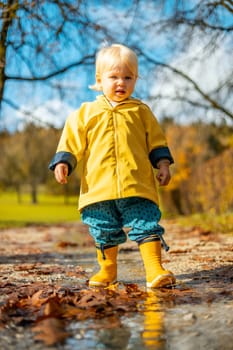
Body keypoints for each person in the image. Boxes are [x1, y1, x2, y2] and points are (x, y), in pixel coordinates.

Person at [49, 43, 176, 289]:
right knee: (103, 228)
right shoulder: (85, 113)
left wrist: (162, 163)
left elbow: (156, 142)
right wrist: (63, 161)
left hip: (137, 184)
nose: (121, 83)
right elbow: (71, 141)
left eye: (128, 77)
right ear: (99, 79)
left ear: (136, 80)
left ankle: (154, 269)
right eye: (114, 77)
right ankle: (107, 269)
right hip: (98, 188)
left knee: (146, 223)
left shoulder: (141, 112)